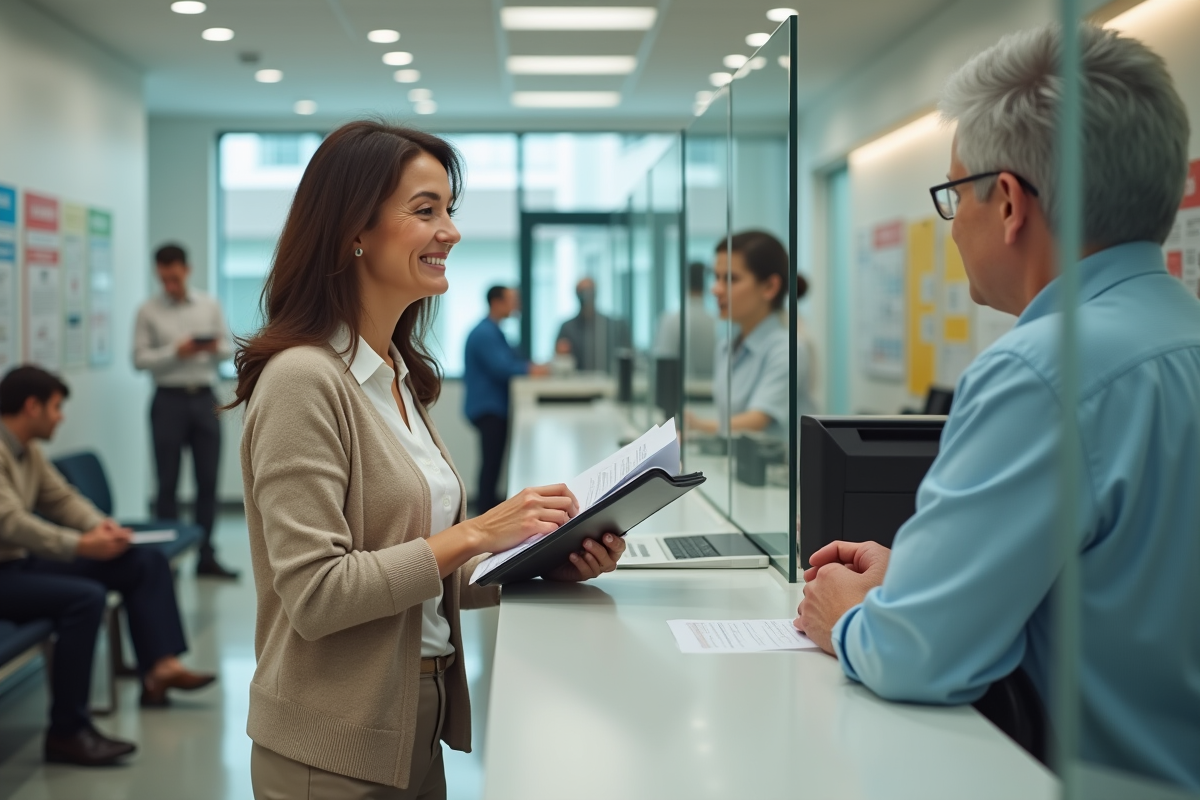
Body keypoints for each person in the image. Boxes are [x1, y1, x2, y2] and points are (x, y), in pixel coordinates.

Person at [794, 24, 1200, 790]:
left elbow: (917, 655)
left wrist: (849, 618)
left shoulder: (1042, 372)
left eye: (954, 195)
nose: (953, 227)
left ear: (1008, 202)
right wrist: (915, 576)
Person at [231, 120, 626, 799]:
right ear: (354, 230)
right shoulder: (303, 380)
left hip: (416, 720)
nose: (450, 231)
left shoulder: (394, 375)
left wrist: (538, 564)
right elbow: (319, 596)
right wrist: (479, 531)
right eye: (425, 211)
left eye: (449, 210)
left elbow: (419, 569)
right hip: (333, 746)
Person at [0, 366, 216, 765]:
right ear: (32, 407)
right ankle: (67, 732)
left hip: (23, 563)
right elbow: (10, 521)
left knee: (142, 561)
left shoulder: (25, 449)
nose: (61, 416)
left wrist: (102, 528)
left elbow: (62, 499)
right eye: (56, 407)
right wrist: (80, 544)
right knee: (86, 598)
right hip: (7, 574)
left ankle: (160, 669)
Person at [133, 243, 237, 579]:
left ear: (186, 270)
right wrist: (175, 352)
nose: (170, 285)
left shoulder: (209, 305)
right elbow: (138, 360)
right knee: (167, 483)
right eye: (164, 279)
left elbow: (227, 349)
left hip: (205, 398)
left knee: (208, 481)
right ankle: (169, 558)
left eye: (175, 277)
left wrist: (208, 346)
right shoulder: (148, 311)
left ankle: (206, 555)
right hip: (167, 401)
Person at [687, 231, 804, 439]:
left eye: (731, 278)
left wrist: (699, 426)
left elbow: (756, 420)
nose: (716, 289)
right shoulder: (725, 347)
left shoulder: (788, 351)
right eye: (716, 277)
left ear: (769, 287)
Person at [463, 286, 548, 514]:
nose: (516, 305)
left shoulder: (495, 332)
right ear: (497, 302)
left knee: (493, 464)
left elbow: (513, 357)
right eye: (512, 300)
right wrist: (531, 369)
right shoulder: (484, 333)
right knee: (491, 464)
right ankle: (485, 515)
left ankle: (488, 513)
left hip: (493, 407)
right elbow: (502, 367)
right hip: (488, 408)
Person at [653, 262, 717, 380]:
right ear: (707, 286)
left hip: (678, 394)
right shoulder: (717, 323)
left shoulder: (670, 321)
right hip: (711, 393)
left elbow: (663, 367)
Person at [555, 277, 629, 372]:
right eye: (582, 292)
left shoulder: (612, 326)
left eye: (590, 292)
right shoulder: (567, 328)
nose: (586, 296)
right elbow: (559, 360)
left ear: (596, 293)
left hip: (607, 381)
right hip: (577, 383)